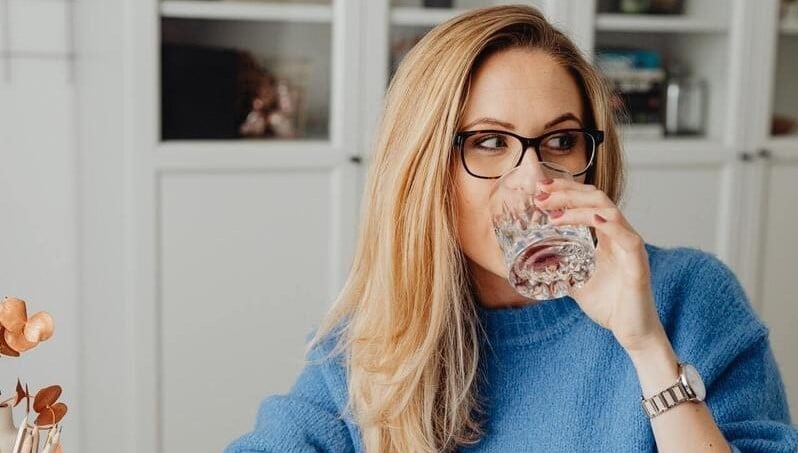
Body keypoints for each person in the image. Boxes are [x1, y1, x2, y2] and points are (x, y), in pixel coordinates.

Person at [225, 5, 797, 452]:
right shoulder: (375, 340)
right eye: (490, 142)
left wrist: (647, 349)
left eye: (561, 141)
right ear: (425, 169)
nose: (532, 181)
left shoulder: (688, 297)